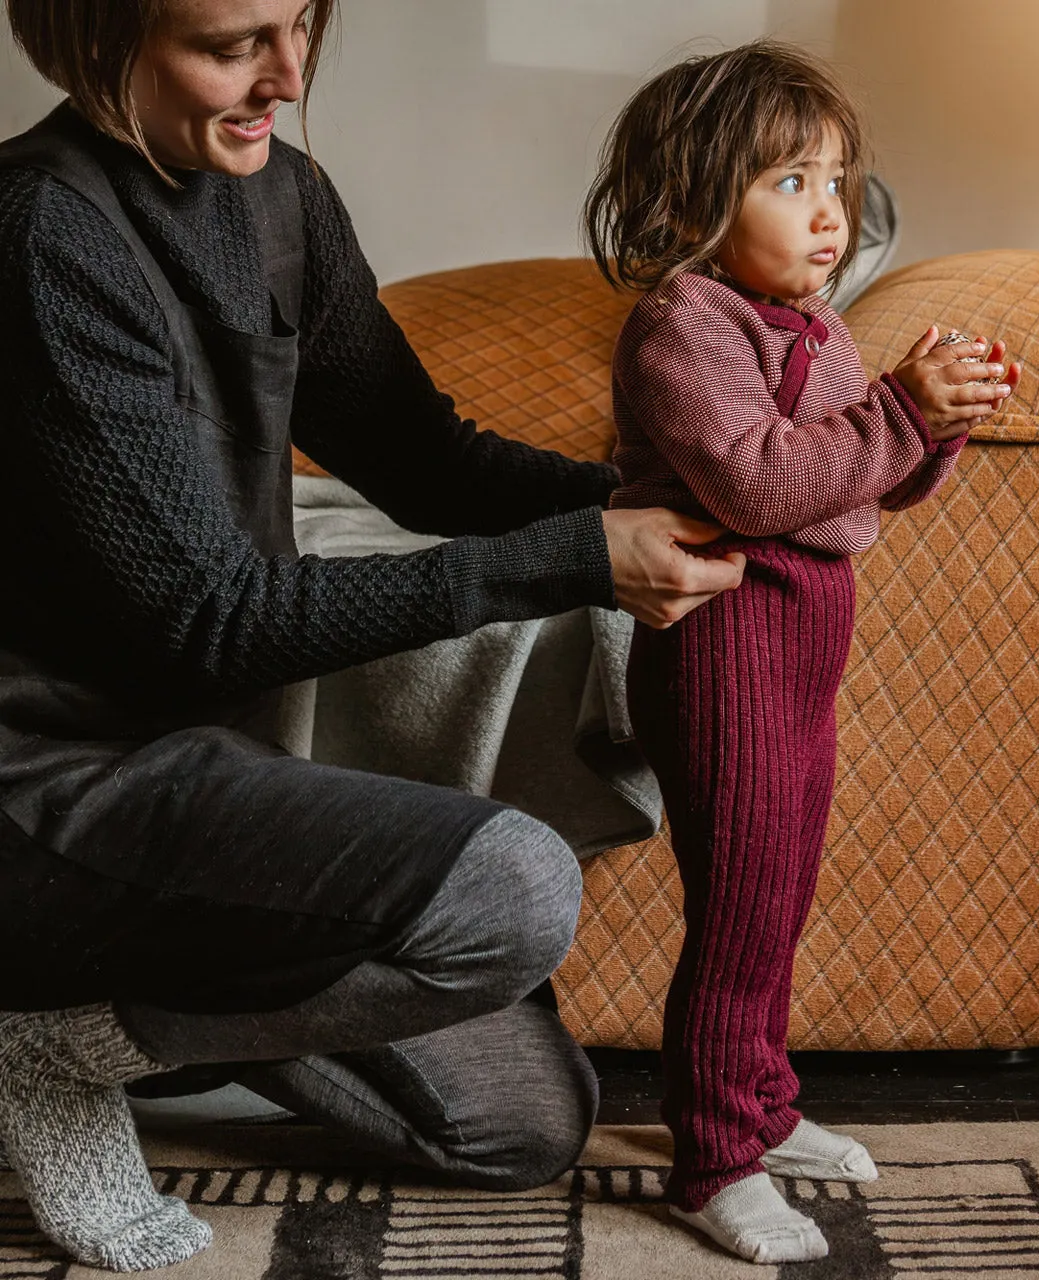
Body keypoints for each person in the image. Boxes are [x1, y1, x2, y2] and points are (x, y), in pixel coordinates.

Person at [0, 0, 749, 1271]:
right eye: (234, 43)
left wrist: (677, 502)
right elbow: (208, 620)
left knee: (520, 1124)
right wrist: (576, 563)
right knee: (510, 889)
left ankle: (126, 1006)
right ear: (93, 35)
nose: (287, 76)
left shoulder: (281, 197)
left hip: (197, 776)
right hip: (41, 789)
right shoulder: (38, 233)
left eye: (300, 25)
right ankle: (53, 1045)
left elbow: (423, 459)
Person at [584, 42, 1022, 1265]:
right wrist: (892, 413)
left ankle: (763, 1109)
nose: (827, 211)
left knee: (778, 902)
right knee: (736, 909)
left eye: (834, 179)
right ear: (690, 200)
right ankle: (713, 1156)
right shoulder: (683, 322)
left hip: (801, 651)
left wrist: (934, 428)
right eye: (786, 181)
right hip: (725, 653)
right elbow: (762, 480)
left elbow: (852, 497)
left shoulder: (807, 321)